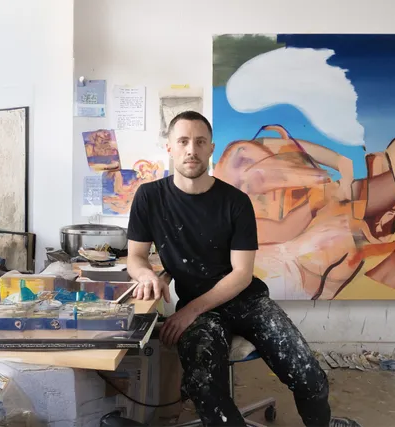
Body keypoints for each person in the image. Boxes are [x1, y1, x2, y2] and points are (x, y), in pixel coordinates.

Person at [125, 111, 360, 426]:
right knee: (206, 389)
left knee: (309, 375)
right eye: (183, 141)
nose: (191, 150)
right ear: (169, 147)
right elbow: (136, 256)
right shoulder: (149, 197)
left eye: (200, 142)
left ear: (211, 148)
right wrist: (145, 275)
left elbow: (241, 274)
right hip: (202, 311)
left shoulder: (235, 201)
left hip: (247, 301)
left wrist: (188, 311)